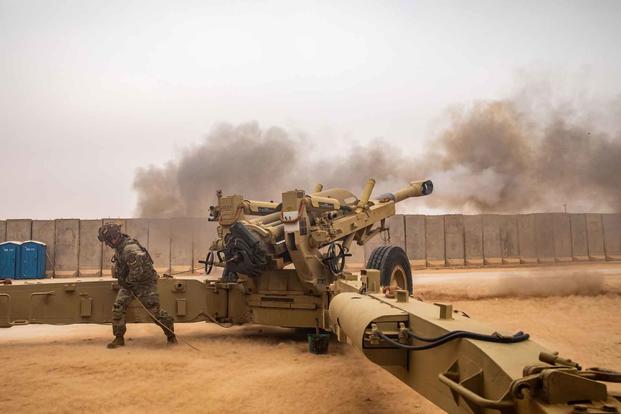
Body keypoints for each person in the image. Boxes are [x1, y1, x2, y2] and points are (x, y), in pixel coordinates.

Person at [97, 223, 177, 348]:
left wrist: (127, 282)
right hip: (130, 283)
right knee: (118, 307)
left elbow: (138, 272)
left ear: (113, 237)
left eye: (107, 241)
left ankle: (171, 336)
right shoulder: (119, 247)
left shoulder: (130, 249)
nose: (107, 244)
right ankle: (119, 338)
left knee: (154, 312)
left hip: (144, 283)